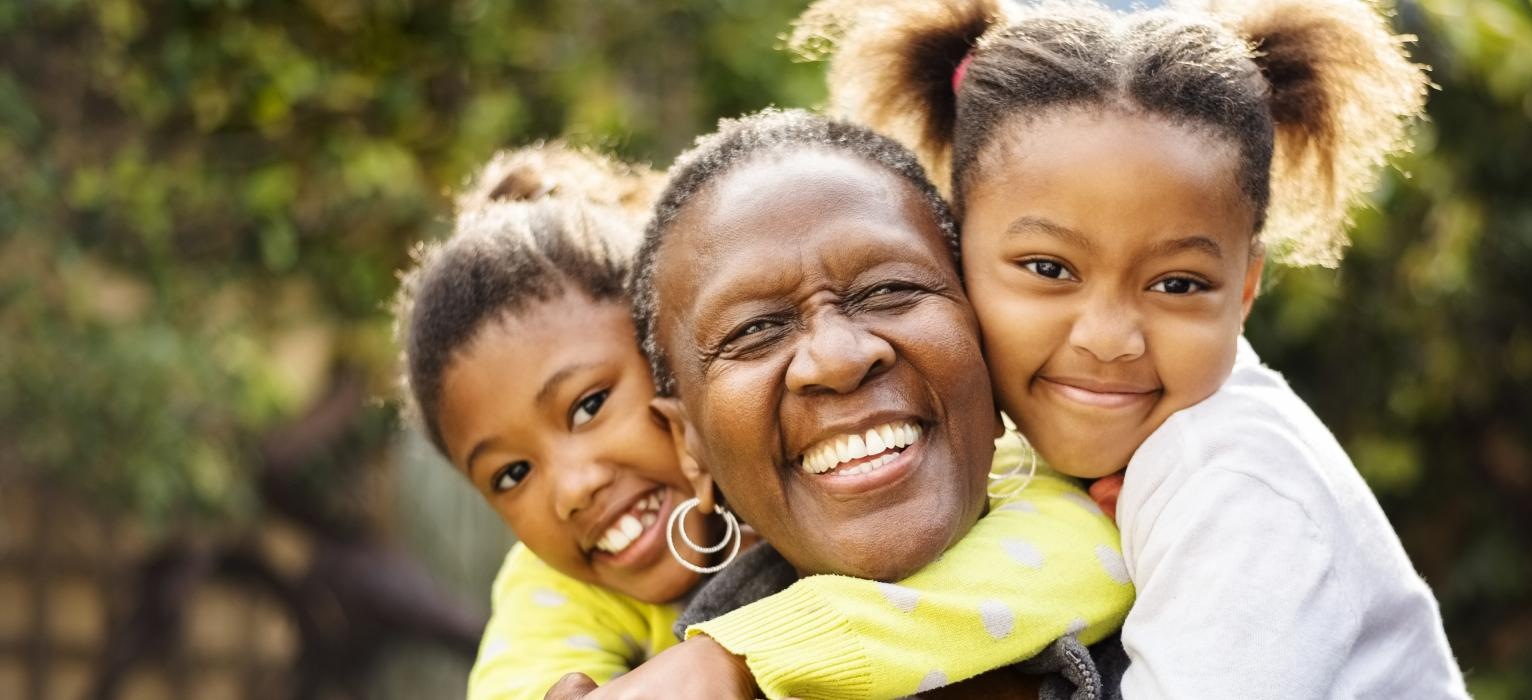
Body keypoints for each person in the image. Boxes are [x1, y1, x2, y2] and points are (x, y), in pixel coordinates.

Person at [794, 0, 1470, 696]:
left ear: (1244, 290)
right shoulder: (1008, 440)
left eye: (1177, 284)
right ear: (955, 251)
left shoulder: (1237, 491)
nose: (1109, 339)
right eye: (1050, 269)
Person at [393, 143, 1131, 700]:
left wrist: (744, 654)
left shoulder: (988, 463)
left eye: (589, 406)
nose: (573, 487)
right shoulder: (559, 589)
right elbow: (521, 676)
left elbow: (1089, 554)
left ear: (671, 378)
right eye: (511, 474)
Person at [598, 108, 1132, 699]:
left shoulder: (1199, 579)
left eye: (889, 290)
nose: (839, 358)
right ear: (689, 447)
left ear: (988, 344)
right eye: (754, 331)